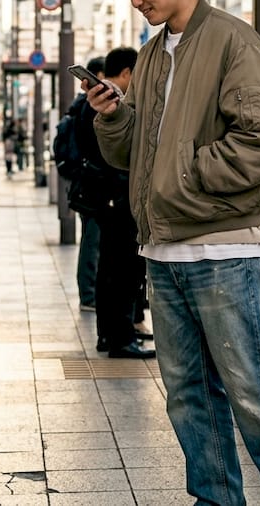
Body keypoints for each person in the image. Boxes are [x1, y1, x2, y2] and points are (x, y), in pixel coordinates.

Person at [87, 0, 260, 504]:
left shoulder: (232, 41)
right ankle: (215, 497)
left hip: (222, 249)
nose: (136, 1)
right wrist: (113, 117)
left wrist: (185, 177)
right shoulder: (149, 55)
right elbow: (133, 153)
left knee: (252, 389)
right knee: (188, 391)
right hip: (162, 251)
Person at [78, 47, 153, 359]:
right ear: (126, 73)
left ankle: (109, 335)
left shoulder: (92, 101)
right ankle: (121, 337)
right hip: (117, 198)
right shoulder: (108, 103)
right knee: (123, 271)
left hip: (106, 198)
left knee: (111, 270)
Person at [68, 55, 105, 312]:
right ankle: (89, 295)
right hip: (94, 184)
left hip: (85, 182)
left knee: (91, 240)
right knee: (92, 241)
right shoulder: (90, 107)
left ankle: (89, 293)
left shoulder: (79, 104)